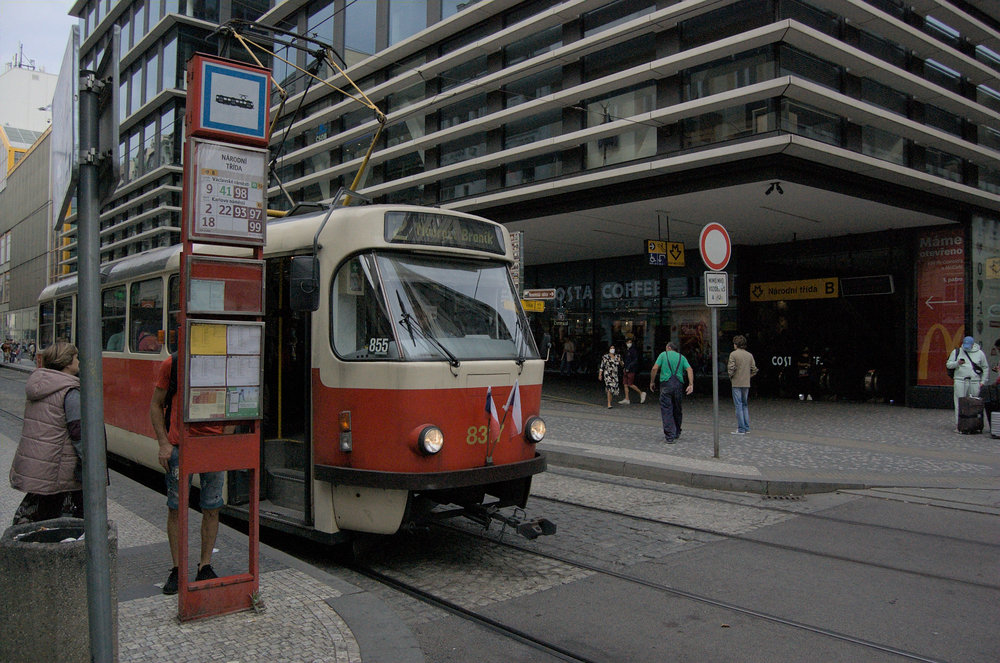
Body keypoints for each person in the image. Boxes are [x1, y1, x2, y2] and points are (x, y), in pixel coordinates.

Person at [150, 354, 226, 595]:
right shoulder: (172, 364)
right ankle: (177, 568)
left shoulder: (223, 360)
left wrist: (225, 441)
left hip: (212, 446)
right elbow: (156, 404)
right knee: (176, 508)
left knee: (212, 506)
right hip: (179, 446)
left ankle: (205, 565)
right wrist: (164, 443)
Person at [8, 341, 83, 525]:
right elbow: (78, 434)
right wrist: (92, 464)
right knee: (68, 521)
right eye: (76, 358)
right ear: (67, 363)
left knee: (45, 516)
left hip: (40, 465)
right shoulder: (70, 391)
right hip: (59, 468)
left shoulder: (39, 385)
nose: (79, 362)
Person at [649, 342, 694, 444]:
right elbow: (689, 369)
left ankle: (669, 435)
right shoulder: (681, 357)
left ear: (669, 348)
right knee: (677, 409)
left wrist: (652, 381)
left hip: (666, 385)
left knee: (666, 410)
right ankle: (677, 431)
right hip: (678, 386)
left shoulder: (663, 355)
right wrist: (691, 384)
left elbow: (654, 368)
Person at [946, 336, 989, 429]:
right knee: (959, 402)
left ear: (973, 345)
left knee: (974, 402)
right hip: (960, 380)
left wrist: (983, 381)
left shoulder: (980, 353)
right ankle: (959, 424)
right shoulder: (957, 352)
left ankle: (973, 423)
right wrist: (957, 363)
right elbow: (949, 365)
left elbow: (985, 367)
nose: (967, 348)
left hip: (974, 381)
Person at [727, 335, 759, 435]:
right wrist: (748, 376)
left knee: (738, 405)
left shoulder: (733, 354)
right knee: (745, 405)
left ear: (736, 344)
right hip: (746, 382)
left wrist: (731, 376)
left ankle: (741, 428)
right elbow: (754, 369)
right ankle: (746, 427)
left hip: (736, 382)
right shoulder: (749, 355)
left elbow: (731, 368)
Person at [619, 336, 646, 404]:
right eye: (628, 342)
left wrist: (629, 367)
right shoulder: (626, 351)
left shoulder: (633, 350)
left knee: (630, 384)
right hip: (626, 369)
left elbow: (635, 360)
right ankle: (627, 398)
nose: (629, 344)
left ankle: (641, 393)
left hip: (631, 370)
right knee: (625, 384)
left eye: (630, 342)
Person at [598, 343, 624, 409]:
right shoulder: (605, 357)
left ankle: (610, 401)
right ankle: (609, 404)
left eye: (613, 348)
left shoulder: (618, 356)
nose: (612, 349)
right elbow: (602, 366)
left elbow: (622, 365)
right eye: (611, 348)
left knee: (613, 389)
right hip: (608, 374)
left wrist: (620, 361)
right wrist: (600, 374)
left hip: (615, 375)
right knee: (609, 388)